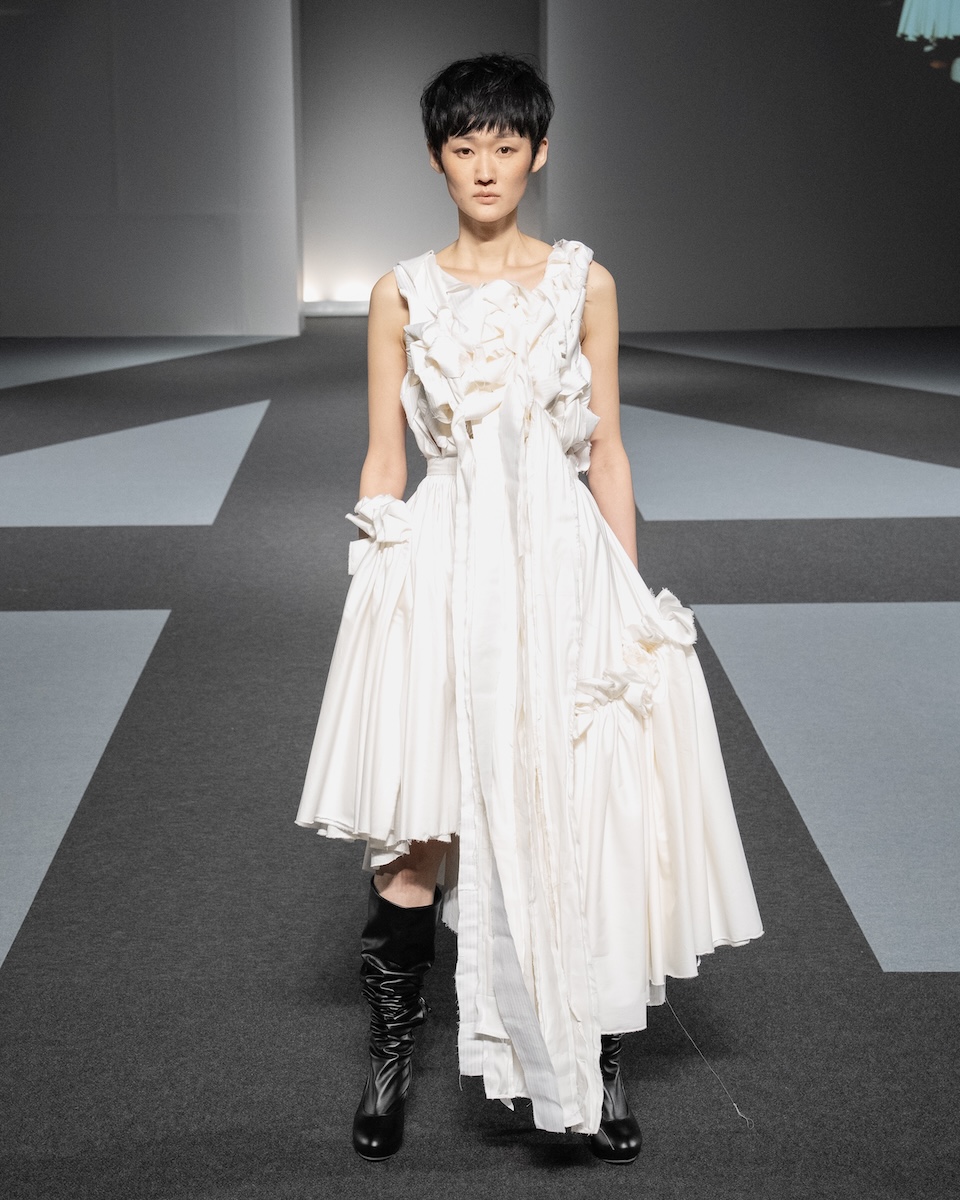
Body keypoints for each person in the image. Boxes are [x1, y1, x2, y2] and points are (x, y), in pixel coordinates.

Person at [296, 52, 762, 1165]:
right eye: (464, 146)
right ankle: (392, 1056)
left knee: (580, 812)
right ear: (436, 158)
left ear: (539, 152)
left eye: (506, 145)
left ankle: (590, 1057)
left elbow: (609, 451)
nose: (485, 166)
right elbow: (383, 454)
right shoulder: (400, 292)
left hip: (561, 564)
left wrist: (627, 596)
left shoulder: (584, 283)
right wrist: (374, 582)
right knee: (417, 826)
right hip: (443, 559)